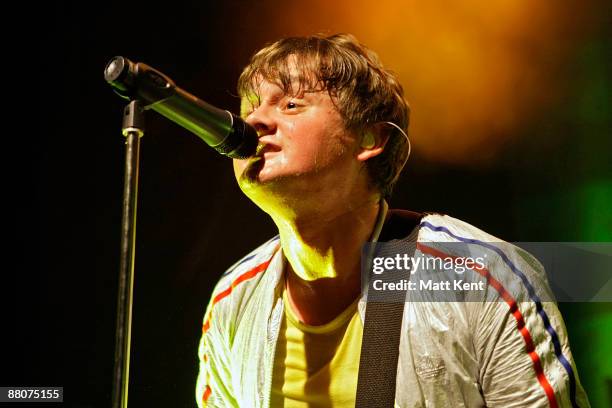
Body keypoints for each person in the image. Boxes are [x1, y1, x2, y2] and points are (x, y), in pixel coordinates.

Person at [196, 33, 589, 407]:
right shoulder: (233, 300)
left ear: (370, 138)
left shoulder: (478, 277)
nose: (254, 122)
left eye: (291, 105)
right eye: (251, 108)